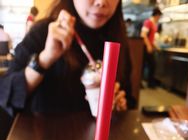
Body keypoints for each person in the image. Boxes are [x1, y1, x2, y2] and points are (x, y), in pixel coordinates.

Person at [0, 0, 136, 116]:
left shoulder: (117, 40)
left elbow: (128, 98)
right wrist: (45, 58)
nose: (101, 2)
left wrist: (120, 105)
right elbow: (5, 94)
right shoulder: (44, 32)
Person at [140, 7, 162, 88]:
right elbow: (143, 35)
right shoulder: (148, 22)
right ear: (156, 15)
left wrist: (155, 46)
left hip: (149, 47)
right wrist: (149, 45)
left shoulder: (153, 24)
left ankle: (149, 83)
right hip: (145, 47)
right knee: (146, 65)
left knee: (150, 65)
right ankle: (143, 83)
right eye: (159, 16)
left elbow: (151, 38)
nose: (159, 18)